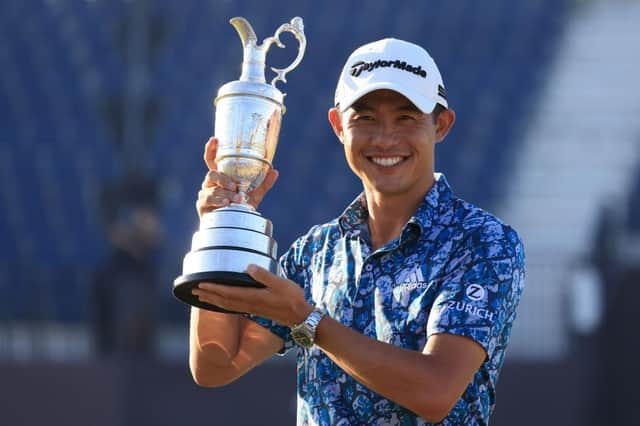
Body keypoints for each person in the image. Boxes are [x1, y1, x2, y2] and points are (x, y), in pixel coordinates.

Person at [189, 38, 525, 425]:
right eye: (365, 118)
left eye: (406, 117)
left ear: (442, 125)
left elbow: (435, 391)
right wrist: (220, 226)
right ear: (338, 126)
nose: (384, 138)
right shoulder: (315, 253)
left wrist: (308, 321)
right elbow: (216, 364)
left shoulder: (483, 242)